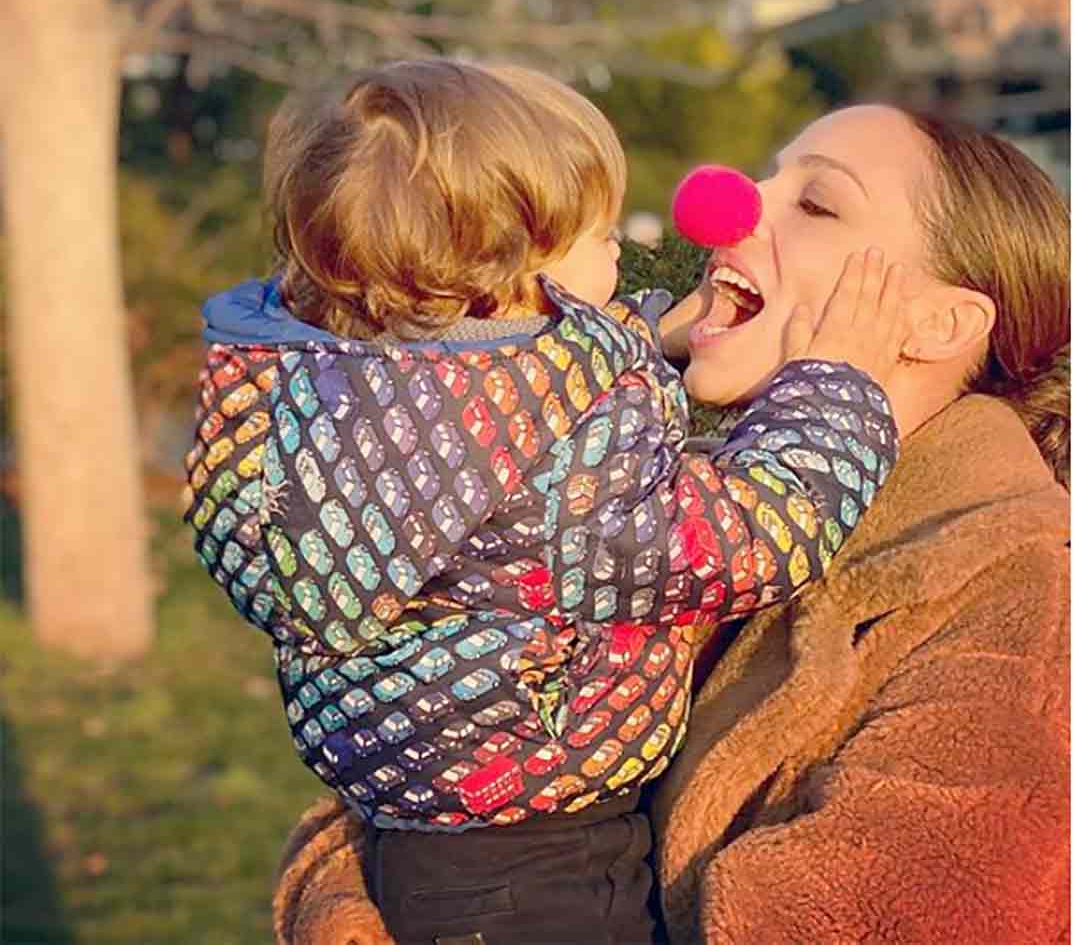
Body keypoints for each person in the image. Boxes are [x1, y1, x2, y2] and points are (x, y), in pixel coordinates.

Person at [269, 103, 1070, 945]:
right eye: (768, 175)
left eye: (817, 204)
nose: (734, 204)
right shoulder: (653, 497)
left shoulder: (1025, 602)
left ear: (939, 322)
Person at [184, 60, 907, 945]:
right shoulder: (563, 470)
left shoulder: (338, 384)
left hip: (428, 844)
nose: (622, 250)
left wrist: (648, 337)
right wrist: (836, 387)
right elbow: (754, 533)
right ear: (519, 266)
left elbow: (508, 396)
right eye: (600, 233)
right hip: (541, 862)